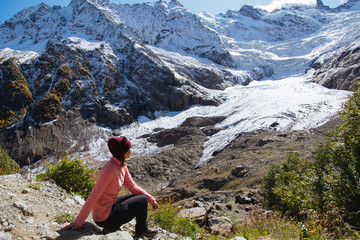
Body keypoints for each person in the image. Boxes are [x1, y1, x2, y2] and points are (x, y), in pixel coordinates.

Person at [62, 136, 159, 237]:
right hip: (104, 217)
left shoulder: (121, 166)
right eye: (128, 148)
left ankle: (117, 227)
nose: (131, 150)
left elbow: (132, 186)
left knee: (139, 197)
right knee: (142, 200)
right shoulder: (109, 169)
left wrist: (151, 199)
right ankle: (140, 230)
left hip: (109, 207)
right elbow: (94, 195)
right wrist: (78, 222)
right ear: (122, 151)